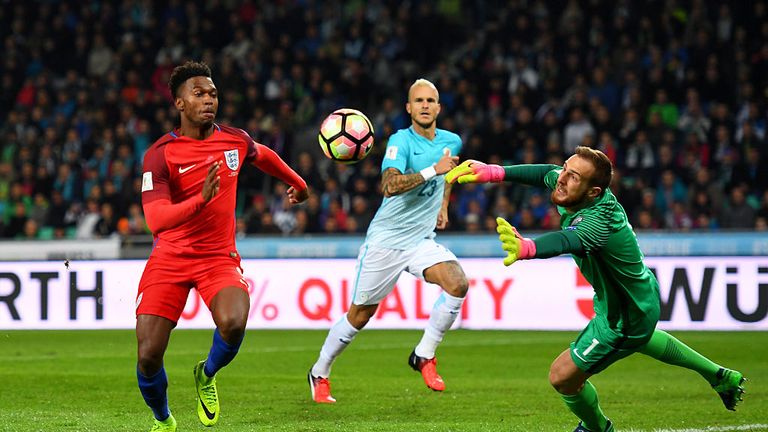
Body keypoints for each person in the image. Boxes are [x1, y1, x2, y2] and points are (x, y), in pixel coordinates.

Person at [445, 147, 746, 432]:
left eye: (572, 176)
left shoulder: (597, 222)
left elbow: (568, 240)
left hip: (625, 313)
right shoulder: (581, 191)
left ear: (593, 192)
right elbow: (545, 174)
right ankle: (720, 375)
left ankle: (597, 427)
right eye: (566, 168)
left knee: (562, 377)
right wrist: (495, 172)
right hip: (635, 296)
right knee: (642, 338)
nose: (561, 178)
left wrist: (529, 247)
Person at [136, 61, 309, 432]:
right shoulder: (160, 155)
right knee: (149, 355)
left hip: (217, 257)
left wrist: (299, 183)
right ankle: (163, 419)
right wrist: (200, 200)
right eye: (198, 93)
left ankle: (207, 373)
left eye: (213, 93)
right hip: (170, 258)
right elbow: (157, 220)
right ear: (179, 103)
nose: (209, 99)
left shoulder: (235, 140)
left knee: (233, 323)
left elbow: (263, 155)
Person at [307, 78, 467, 403]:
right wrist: (431, 171)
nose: (424, 105)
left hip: (421, 240)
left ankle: (424, 354)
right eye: (418, 101)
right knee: (360, 316)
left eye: (430, 100)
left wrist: (444, 203)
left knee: (458, 283)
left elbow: (449, 173)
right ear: (409, 108)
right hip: (386, 241)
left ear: (439, 107)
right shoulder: (400, 141)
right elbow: (389, 185)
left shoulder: (453, 140)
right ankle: (319, 371)